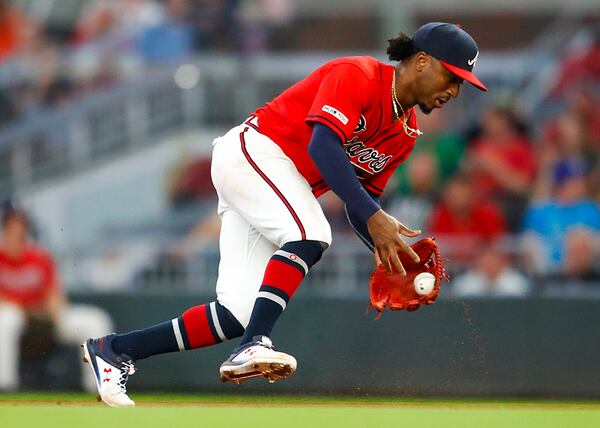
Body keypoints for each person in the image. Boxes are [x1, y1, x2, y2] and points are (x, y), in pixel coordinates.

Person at [82, 22, 487, 407]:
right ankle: (255, 344)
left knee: (236, 313)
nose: (454, 90)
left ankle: (115, 351)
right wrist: (376, 219)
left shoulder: (406, 132)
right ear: (421, 61)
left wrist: (393, 253)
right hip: (254, 153)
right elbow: (323, 148)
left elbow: (361, 202)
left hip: (274, 185)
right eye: (451, 77)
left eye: (461, 83)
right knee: (312, 232)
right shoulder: (359, 75)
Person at [0, 205, 113, 392]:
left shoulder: (39, 257)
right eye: (13, 228)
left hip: (42, 318)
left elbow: (54, 294)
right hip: (15, 320)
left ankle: (101, 388)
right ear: (5, 231)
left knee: (95, 320)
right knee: (7, 318)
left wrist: (53, 310)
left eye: (22, 228)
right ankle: (5, 385)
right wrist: (24, 309)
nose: (18, 233)